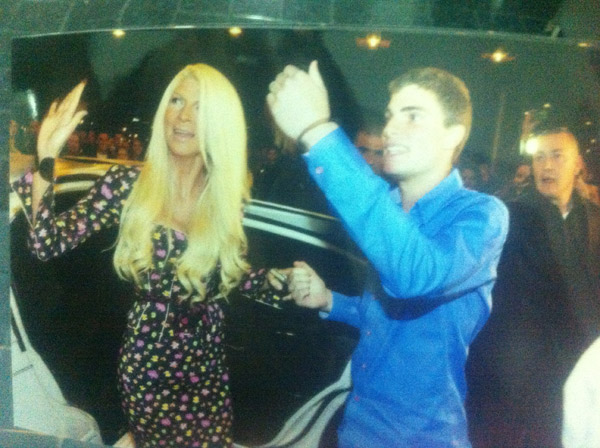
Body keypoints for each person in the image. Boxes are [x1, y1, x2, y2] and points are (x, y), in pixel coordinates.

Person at [12, 64, 283, 447]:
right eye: (176, 101)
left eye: (200, 107)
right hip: (151, 362)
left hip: (207, 361)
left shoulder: (224, 199)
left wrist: (283, 283)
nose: (183, 116)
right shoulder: (127, 185)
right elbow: (45, 244)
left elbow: (228, 278)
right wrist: (46, 158)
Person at [267, 63, 509, 447]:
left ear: (454, 134)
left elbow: (414, 276)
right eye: (390, 116)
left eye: (412, 115)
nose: (391, 128)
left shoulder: (481, 215)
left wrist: (317, 131)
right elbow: (384, 315)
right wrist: (329, 299)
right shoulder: (390, 211)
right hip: (356, 430)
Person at [467, 124, 600, 448]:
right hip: (514, 370)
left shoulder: (594, 219)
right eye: (539, 157)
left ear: (577, 164)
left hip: (576, 365)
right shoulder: (510, 215)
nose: (547, 165)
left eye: (557, 156)